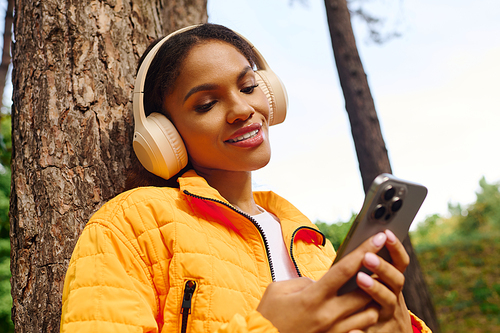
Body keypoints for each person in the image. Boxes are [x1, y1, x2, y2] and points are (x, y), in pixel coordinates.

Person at [60, 23, 431, 333]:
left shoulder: (314, 245)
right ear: (165, 135)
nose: (242, 109)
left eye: (249, 87)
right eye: (206, 104)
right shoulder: (130, 225)